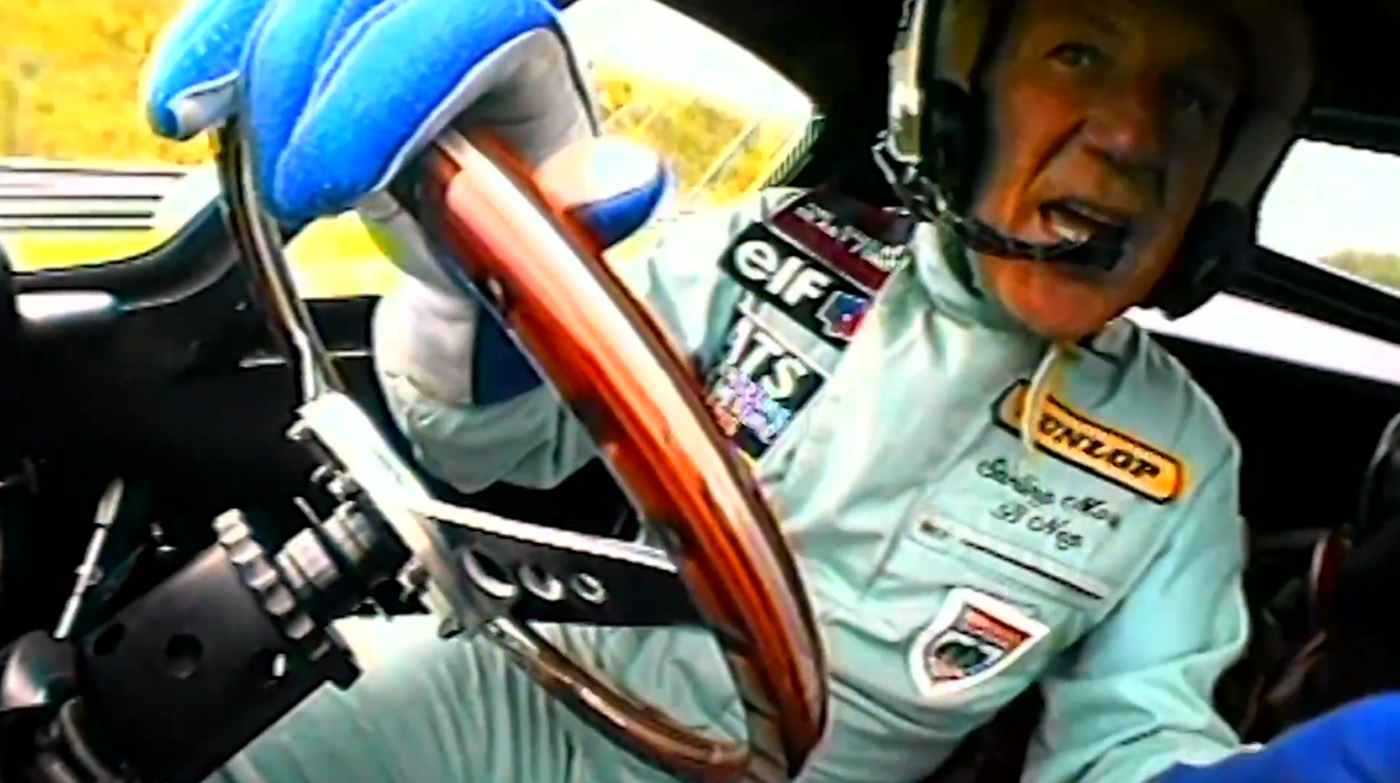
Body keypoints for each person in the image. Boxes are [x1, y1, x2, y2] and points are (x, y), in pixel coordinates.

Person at [141, 0, 1400, 781]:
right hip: (527, 701)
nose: (1128, 136)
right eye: (1078, 54)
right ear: (953, 104)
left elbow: (1125, 745)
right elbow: (483, 449)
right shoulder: (774, 252)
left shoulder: (1179, 453)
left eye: (1187, 98)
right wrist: (474, 259)